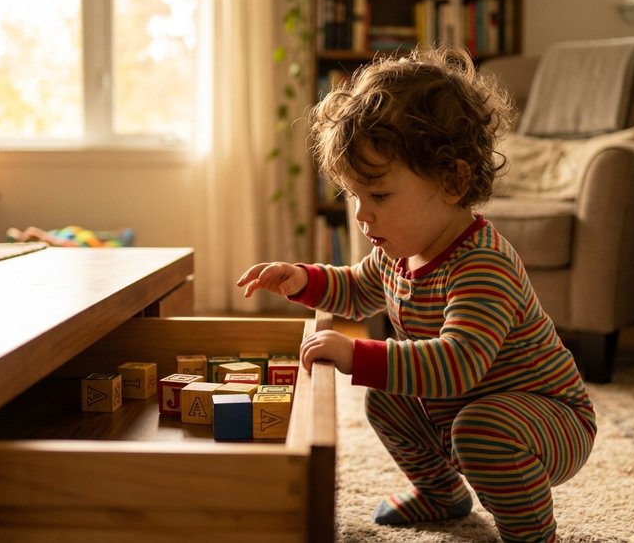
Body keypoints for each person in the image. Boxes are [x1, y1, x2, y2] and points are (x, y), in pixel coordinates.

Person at [236, 47, 596, 543]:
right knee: (385, 397)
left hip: (548, 418)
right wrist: (303, 279)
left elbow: (456, 365)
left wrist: (355, 353)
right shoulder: (400, 250)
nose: (362, 215)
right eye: (353, 196)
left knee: (481, 430)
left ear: (452, 182)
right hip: (464, 409)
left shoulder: (481, 265)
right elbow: (360, 290)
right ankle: (441, 493)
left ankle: (533, 534)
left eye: (379, 196)